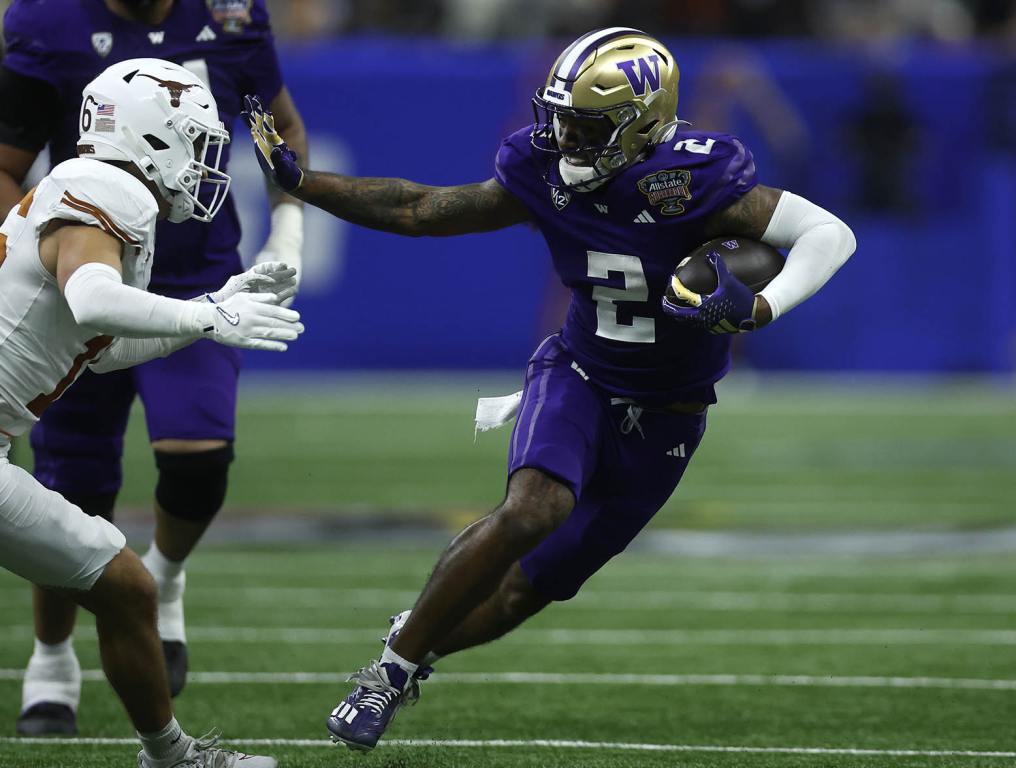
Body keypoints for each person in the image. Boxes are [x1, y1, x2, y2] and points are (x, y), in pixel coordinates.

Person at [245, 27, 856, 751]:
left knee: (525, 592)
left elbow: (828, 232)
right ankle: (387, 674)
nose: (563, 137)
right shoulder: (541, 168)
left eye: (586, 124)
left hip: (670, 412)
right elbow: (420, 210)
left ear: (644, 124)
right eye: (559, 117)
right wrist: (303, 184)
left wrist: (760, 306)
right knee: (534, 509)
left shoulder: (693, 176)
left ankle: (419, 641)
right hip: (579, 372)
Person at [0, 0, 308, 734]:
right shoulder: (106, 192)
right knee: (86, 512)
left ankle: (168, 745)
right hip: (119, 290)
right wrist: (206, 316)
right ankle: (81, 684)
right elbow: (94, 300)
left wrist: (216, 301)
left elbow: (102, 348)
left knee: (127, 568)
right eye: (193, 142)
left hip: (161, 289)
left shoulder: (96, 183)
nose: (206, 161)